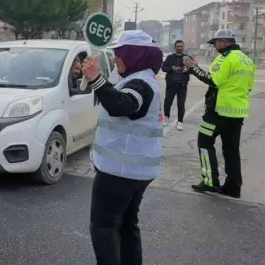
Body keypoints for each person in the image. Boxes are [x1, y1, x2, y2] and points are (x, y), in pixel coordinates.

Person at [81, 30, 164, 265]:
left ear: (134, 55)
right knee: (127, 225)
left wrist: (96, 78)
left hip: (120, 172)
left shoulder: (140, 84)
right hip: (133, 170)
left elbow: (121, 105)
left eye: (120, 53)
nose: (116, 58)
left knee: (104, 227)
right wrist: (93, 78)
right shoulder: (141, 79)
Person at [183, 29, 255, 198]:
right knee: (231, 150)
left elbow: (212, 80)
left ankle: (210, 182)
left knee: (204, 143)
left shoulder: (225, 58)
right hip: (238, 112)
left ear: (224, 42)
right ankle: (233, 187)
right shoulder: (247, 60)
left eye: (215, 43)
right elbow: (248, 87)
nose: (214, 47)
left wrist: (193, 68)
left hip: (218, 112)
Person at [162, 40, 190, 130]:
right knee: (168, 102)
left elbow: (193, 69)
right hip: (171, 85)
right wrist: (172, 68)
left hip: (182, 85)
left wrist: (187, 70)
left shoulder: (187, 58)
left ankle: (180, 122)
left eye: (181, 46)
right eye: (178, 46)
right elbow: (163, 68)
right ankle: (166, 117)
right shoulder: (170, 57)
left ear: (184, 47)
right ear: (175, 47)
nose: (179, 48)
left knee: (181, 104)